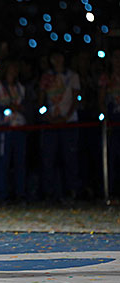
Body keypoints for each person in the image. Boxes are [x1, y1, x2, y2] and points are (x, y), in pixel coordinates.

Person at [38, 50, 81, 204]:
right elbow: (41, 101)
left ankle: (71, 191)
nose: (57, 59)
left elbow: (76, 99)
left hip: (68, 123)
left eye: (59, 56)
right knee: (49, 158)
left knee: (69, 158)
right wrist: (47, 115)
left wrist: (66, 117)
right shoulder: (46, 77)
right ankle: (51, 193)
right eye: (54, 57)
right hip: (51, 122)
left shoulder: (72, 76)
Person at [0, 59, 27, 204]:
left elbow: (28, 106)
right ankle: (1, 194)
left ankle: (20, 194)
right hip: (4, 130)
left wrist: (21, 109)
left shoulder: (20, 87)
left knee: (20, 162)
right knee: (3, 162)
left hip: (19, 128)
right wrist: (6, 109)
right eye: (10, 69)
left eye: (15, 70)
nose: (13, 72)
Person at [99, 48, 120, 204]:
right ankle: (111, 193)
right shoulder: (106, 78)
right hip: (113, 120)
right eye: (116, 57)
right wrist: (106, 117)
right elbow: (101, 100)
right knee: (112, 157)